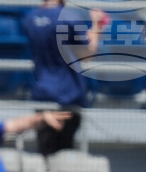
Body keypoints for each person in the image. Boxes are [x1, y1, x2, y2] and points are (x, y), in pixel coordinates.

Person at [22, 1, 105, 155]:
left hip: (42, 91)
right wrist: (97, 25)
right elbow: (87, 54)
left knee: (45, 150)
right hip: (68, 93)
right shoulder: (69, 17)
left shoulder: (30, 17)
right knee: (64, 152)